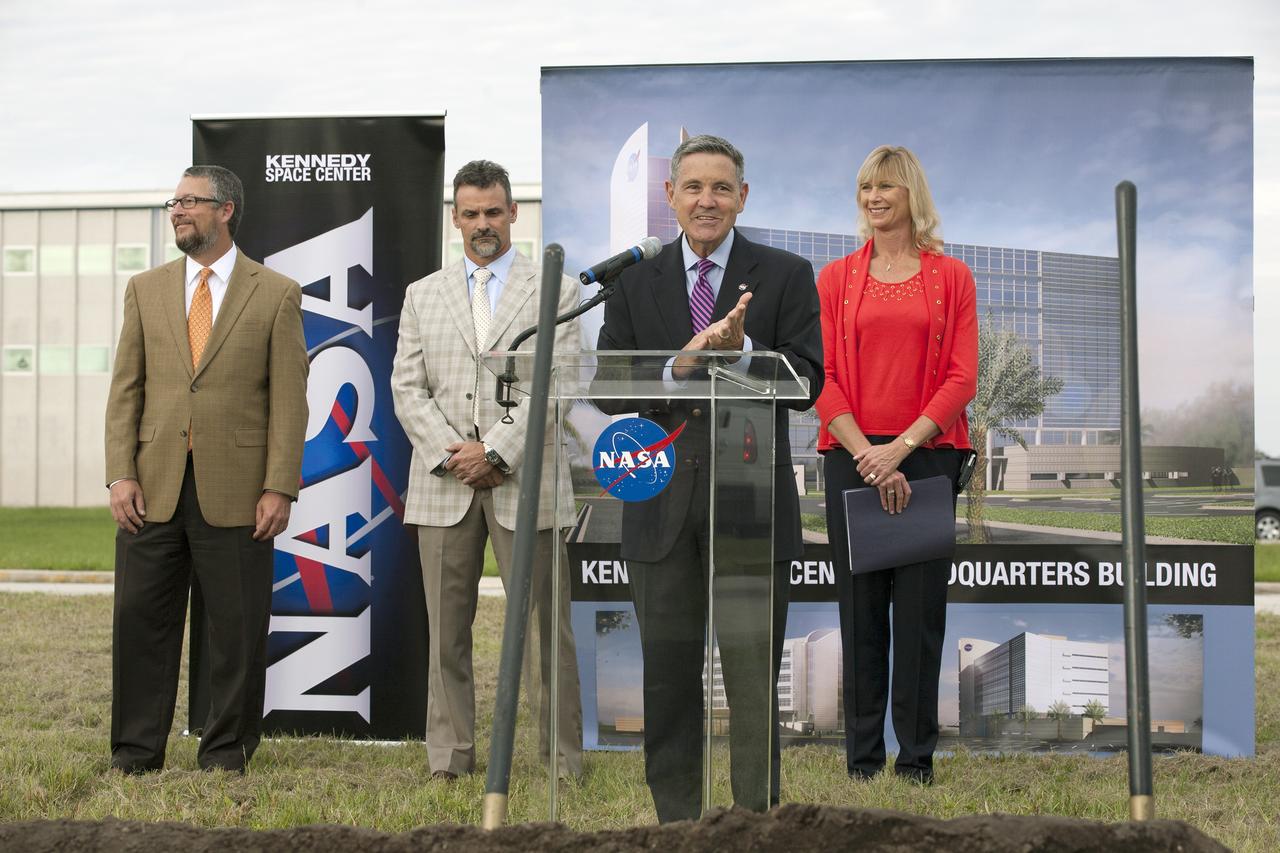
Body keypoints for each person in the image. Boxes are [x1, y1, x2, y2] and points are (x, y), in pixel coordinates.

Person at [596, 134, 822, 821]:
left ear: (742, 197)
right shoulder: (635, 278)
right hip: (660, 507)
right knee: (668, 677)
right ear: (670, 197)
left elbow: (807, 380)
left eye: (721, 188)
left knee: (754, 682)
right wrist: (680, 365)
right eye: (693, 187)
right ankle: (678, 823)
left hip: (752, 509)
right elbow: (609, 385)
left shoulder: (784, 272)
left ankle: (755, 820)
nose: (706, 200)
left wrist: (745, 350)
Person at [105, 165, 309, 773]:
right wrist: (120, 473)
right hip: (151, 487)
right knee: (141, 624)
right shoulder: (145, 289)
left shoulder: (274, 292)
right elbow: (125, 390)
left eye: (190, 202)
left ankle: (225, 752)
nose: (177, 211)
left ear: (226, 209)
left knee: (235, 634)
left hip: (239, 491)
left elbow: (288, 400)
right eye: (173, 202)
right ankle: (136, 752)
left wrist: (279, 485)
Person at [392, 159, 583, 781]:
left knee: (545, 631)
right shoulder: (423, 294)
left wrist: (497, 450)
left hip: (528, 482)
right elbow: (406, 389)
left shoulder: (560, 288)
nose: (482, 224)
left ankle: (559, 759)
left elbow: (562, 380)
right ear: (455, 218)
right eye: (470, 213)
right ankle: (450, 758)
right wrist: (456, 453)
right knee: (446, 631)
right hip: (444, 483)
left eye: (493, 212)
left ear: (513, 214)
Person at [815, 145, 977, 784]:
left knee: (918, 620)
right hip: (852, 455)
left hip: (927, 458)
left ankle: (915, 762)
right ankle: (862, 762)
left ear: (911, 194)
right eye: (864, 187)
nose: (873, 197)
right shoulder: (833, 280)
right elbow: (818, 377)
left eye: (885, 186)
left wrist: (900, 450)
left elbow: (962, 378)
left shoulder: (952, 277)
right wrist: (866, 453)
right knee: (859, 617)